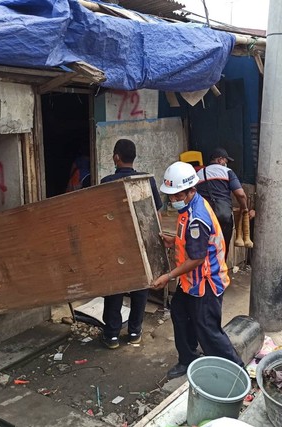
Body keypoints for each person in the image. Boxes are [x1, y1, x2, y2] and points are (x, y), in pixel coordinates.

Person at [152, 161, 243, 379]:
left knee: (208, 329)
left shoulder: (197, 218)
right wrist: (173, 241)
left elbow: (196, 258)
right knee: (180, 313)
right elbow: (190, 243)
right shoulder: (189, 207)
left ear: (191, 190)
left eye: (177, 196)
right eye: (171, 197)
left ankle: (236, 372)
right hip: (191, 281)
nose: (173, 200)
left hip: (206, 282)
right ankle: (187, 359)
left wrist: (168, 276)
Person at [100, 139, 163, 349]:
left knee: (116, 288)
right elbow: (156, 215)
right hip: (142, 242)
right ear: (133, 158)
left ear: (116, 157)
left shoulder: (107, 181)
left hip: (116, 244)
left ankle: (111, 336)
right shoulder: (147, 181)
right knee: (140, 287)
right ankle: (135, 331)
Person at [196, 148, 249, 257]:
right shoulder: (227, 172)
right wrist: (244, 208)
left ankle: (206, 271)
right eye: (226, 161)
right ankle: (220, 270)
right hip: (223, 215)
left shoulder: (200, 173)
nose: (226, 164)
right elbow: (240, 194)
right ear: (220, 160)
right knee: (222, 248)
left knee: (204, 248)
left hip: (204, 215)